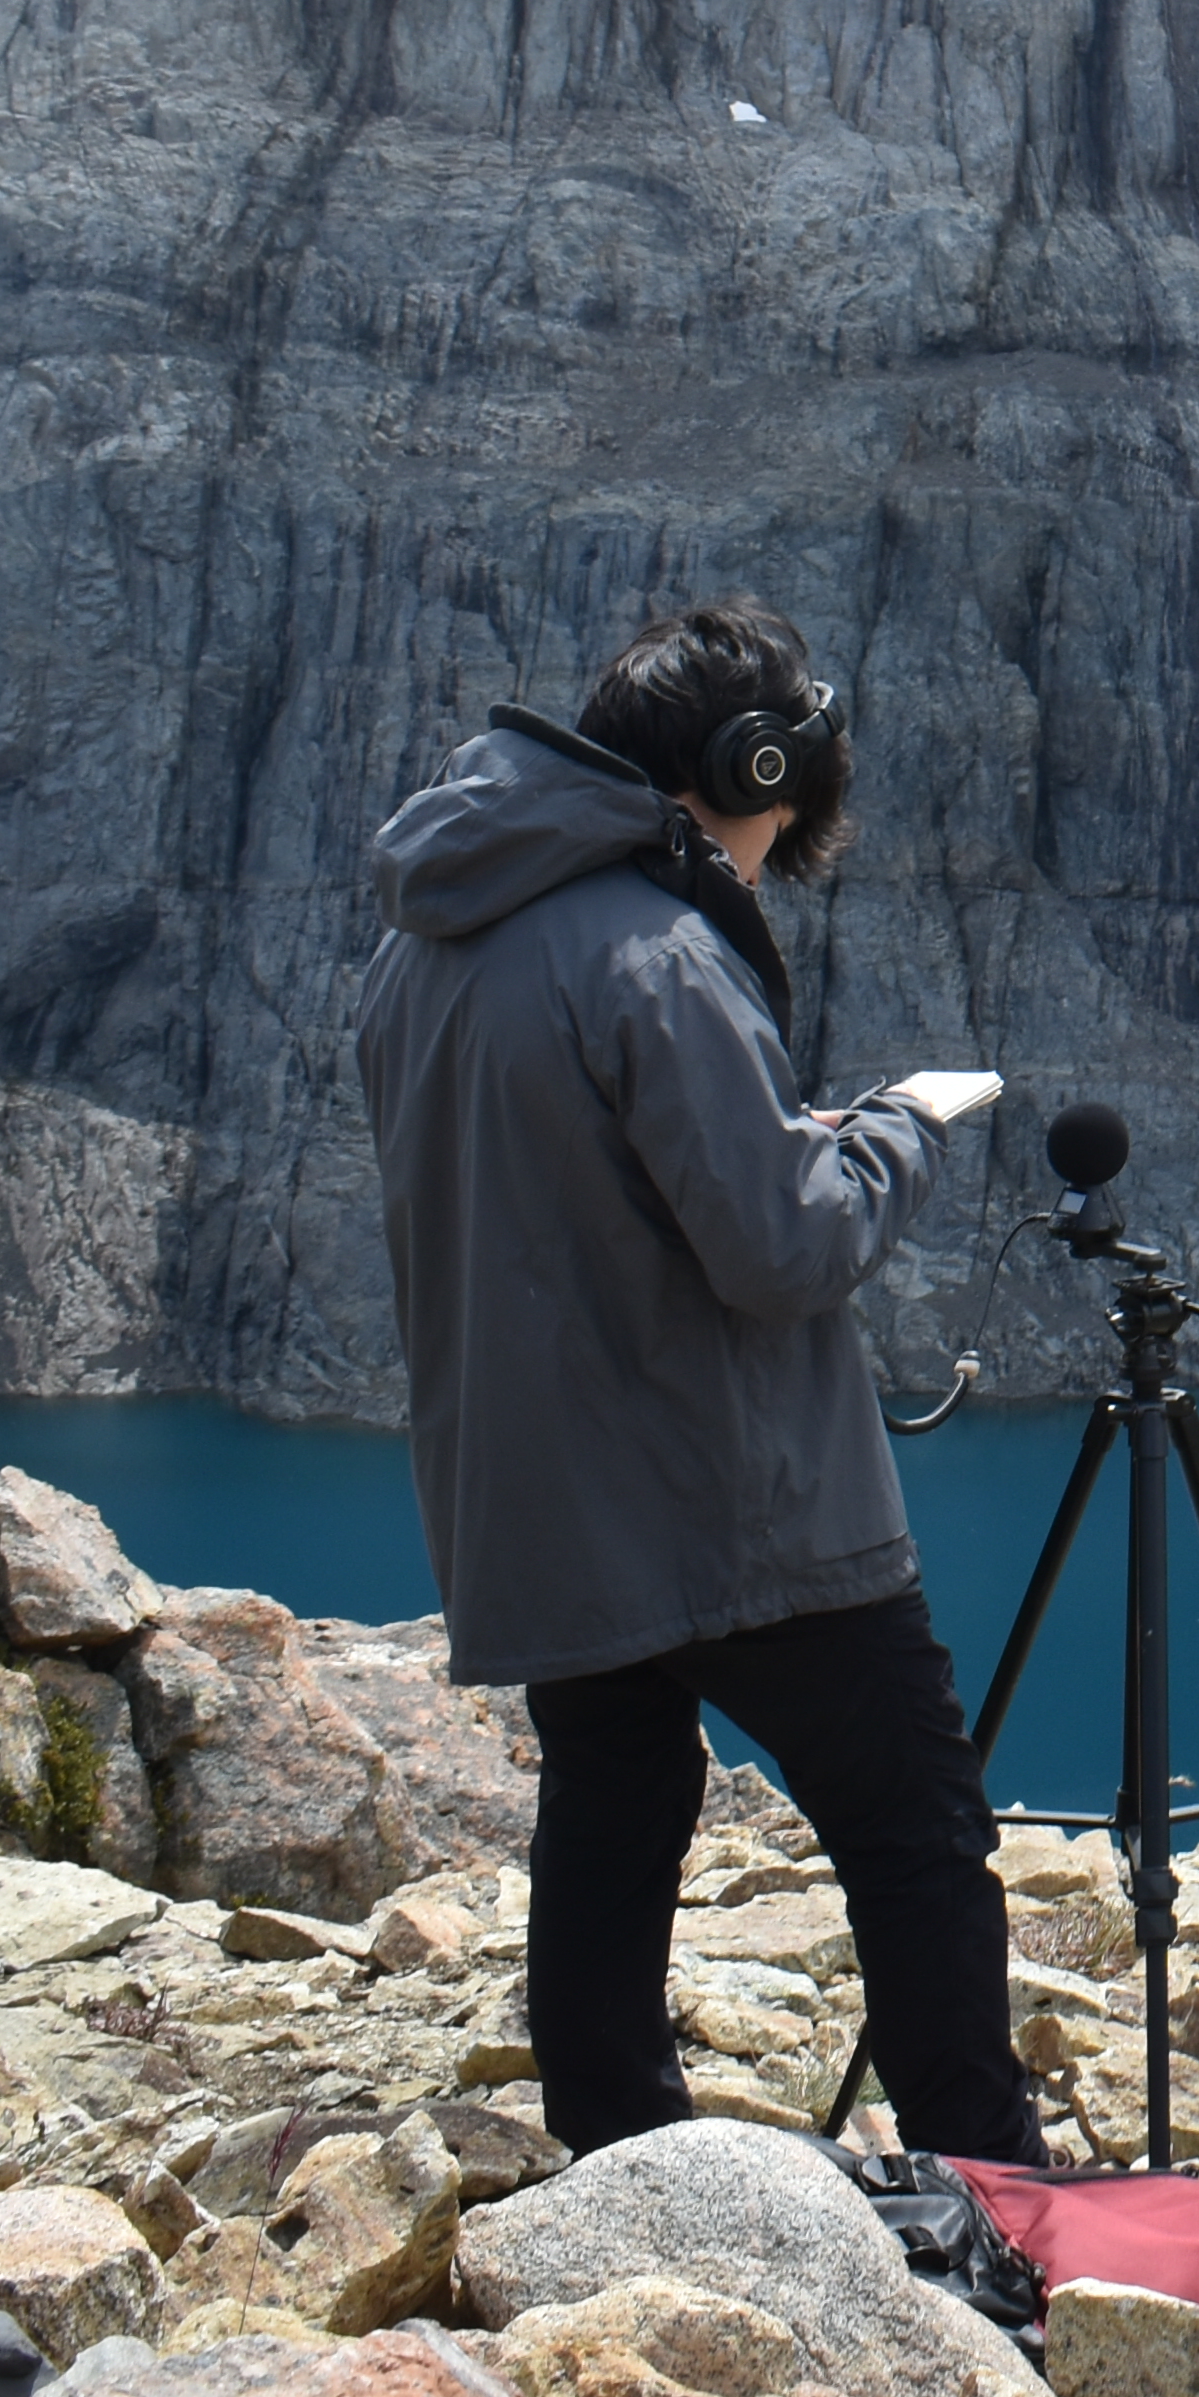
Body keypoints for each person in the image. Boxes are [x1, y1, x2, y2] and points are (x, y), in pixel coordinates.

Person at [352, 596, 1046, 2163]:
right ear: (748, 767)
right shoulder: (658, 957)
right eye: (779, 807)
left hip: (536, 1502)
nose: (774, 845)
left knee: (612, 1810)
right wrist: (900, 1132)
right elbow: (784, 1247)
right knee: (916, 1827)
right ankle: (994, 2187)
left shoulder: (421, 951)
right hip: (729, 1500)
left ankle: (622, 2165)